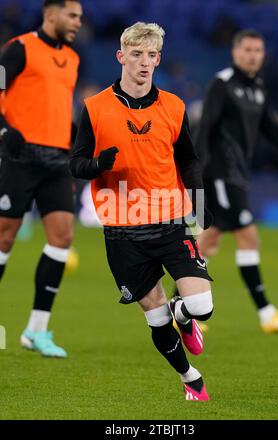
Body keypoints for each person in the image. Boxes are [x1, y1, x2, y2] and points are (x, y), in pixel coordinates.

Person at [70, 22, 213, 401]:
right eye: (136, 55)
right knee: (155, 317)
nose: (144, 63)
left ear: (158, 59)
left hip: (169, 219)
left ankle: (185, 313)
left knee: (201, 305)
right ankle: (189, 378)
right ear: (121, 57)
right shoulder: (95, 107)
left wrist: (200, 202)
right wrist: (98, 165)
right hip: (122, 227)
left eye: (151, 55)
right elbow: (76, 164)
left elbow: (189, 159)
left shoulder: (174, 106)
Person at [194, 29, 278, 333]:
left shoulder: (259, 89)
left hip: (237, 176)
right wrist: (196, 178)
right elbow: (204, 132)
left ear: (263, 55)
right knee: (249, 236)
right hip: (219, 175)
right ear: (235, 52)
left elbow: (276, 133)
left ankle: (182, 309)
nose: (253, 55)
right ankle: (267, 314)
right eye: (247, 50)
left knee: (209, 241)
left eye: (258, 50)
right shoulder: (222, 84)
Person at [0, 0, 82, 357]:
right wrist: (4, 131)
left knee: (62, 238)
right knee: (5, 237)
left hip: (57, 160)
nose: (78, 22)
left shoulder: (74, 59)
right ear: (52, 15)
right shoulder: (19, 49)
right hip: (19, 157)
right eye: (72, 15)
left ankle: (37, 330)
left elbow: (57, 106)